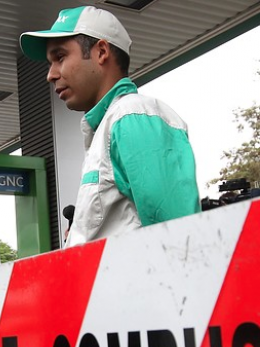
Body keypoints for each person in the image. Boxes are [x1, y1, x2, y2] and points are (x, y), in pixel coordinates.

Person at [20, 6, 200, 247]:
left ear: (101, 52)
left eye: (60, 57)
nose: (50, 74)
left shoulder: (133, 116)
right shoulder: (110, 125)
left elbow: (180, 241)